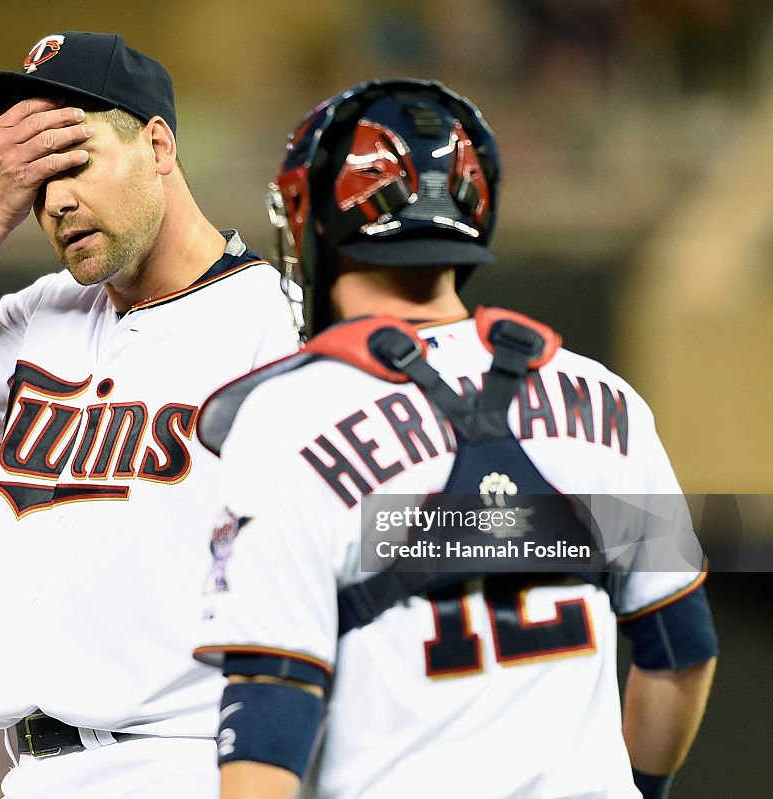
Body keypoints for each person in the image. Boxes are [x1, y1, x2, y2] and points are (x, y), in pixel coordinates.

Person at [191, 79, 718, 799]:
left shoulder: (288, 416)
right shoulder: (606, 398)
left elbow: (270, 712)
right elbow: (683, 652)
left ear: (318, 218)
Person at [0, 30, 298, 799]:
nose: (56, 200)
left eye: (73, 163)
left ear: (159, 144)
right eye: (33, 182)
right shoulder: (45, 314)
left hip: (191, 759)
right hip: (34, 770)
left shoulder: (274, 322)